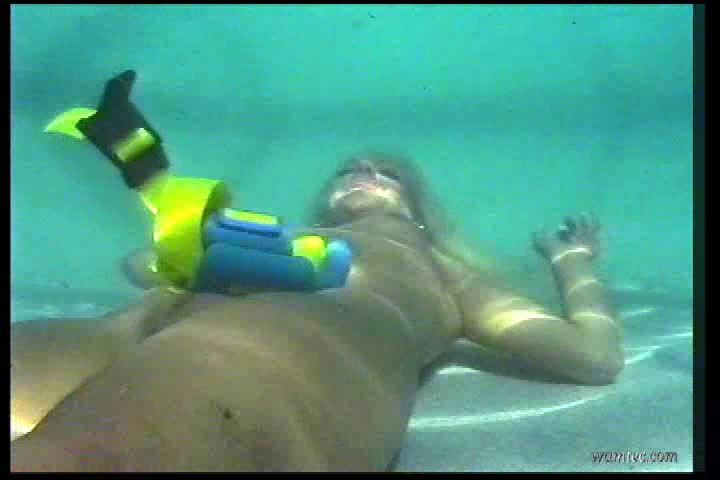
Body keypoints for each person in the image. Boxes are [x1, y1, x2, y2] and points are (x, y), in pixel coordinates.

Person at [10, 72, 624, 472]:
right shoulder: (278, 235)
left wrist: (572, 263)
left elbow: (592, 356)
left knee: (82, 454)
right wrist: (177, 229)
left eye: (386, 174)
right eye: (349, 169)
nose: (362, 173)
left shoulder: (439, 270)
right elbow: (143, 267)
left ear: (418, 206)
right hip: (139, 327)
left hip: (282, 354)